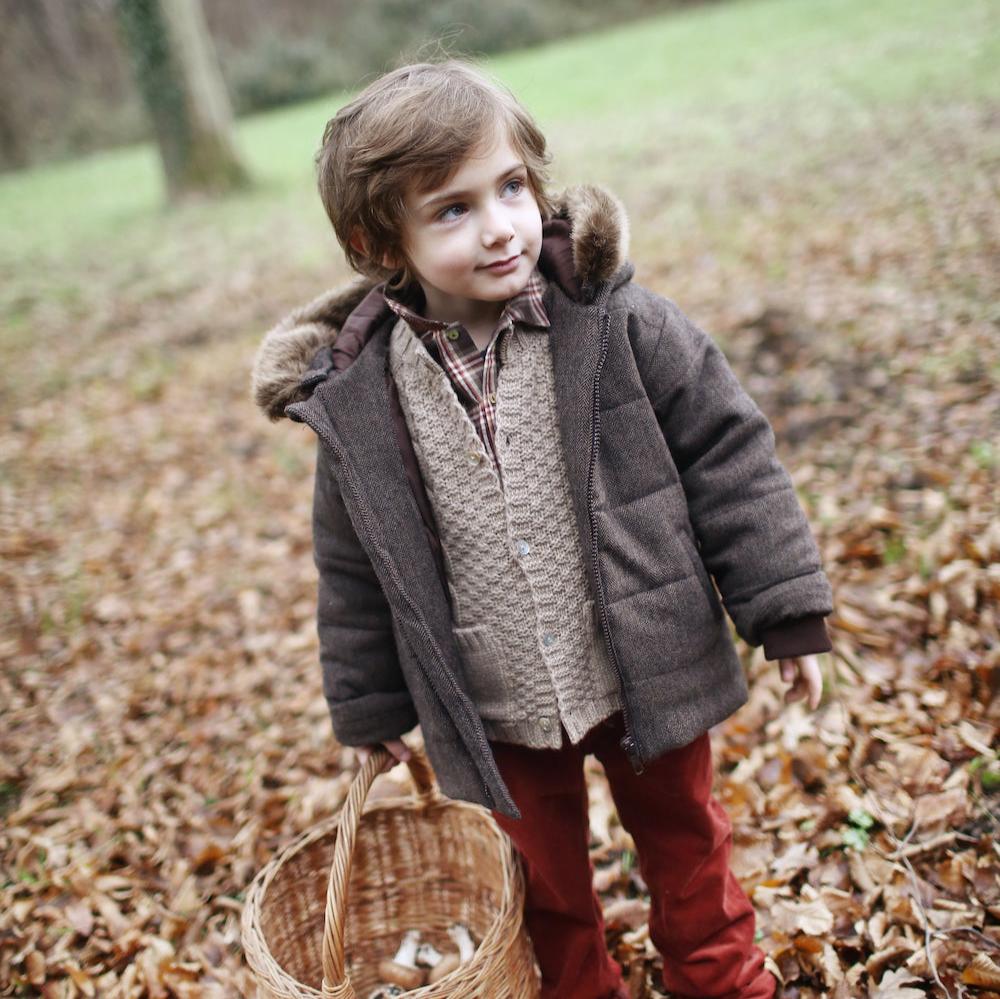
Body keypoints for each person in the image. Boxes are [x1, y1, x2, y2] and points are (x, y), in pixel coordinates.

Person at [251, 59, 833, 999]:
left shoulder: (618, 325)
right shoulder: (360, 400)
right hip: (494, 698)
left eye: (513, 187)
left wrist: (785, 608)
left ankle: (721, 980)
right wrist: (367, 710)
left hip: (645, 653)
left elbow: (730, 455)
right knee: (546, 887)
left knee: (688, 845)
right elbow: (354, 566)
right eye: (453, 209)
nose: (500, 226)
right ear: (376, 242)